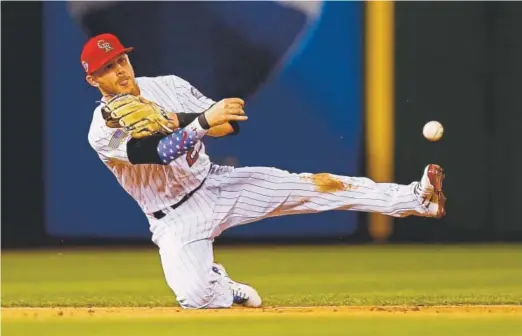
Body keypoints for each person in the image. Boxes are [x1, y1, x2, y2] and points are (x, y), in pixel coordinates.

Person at [83, 33, 446, 309]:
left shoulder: (169, 86)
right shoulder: (101, 131)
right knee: (195, 297)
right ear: (93, 80)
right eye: (107, 69)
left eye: (121, 62)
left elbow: (228, 125)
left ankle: (416, 197)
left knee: (317, 187)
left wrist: (187, 119)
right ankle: (221, 285)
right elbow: (157, 153)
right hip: (173, 218)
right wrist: (198, 125)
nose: (119, 72)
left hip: (217, 184)